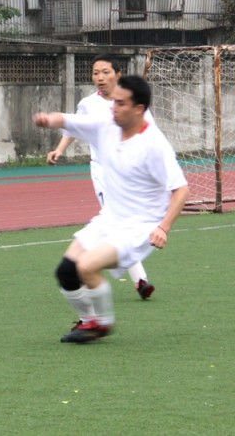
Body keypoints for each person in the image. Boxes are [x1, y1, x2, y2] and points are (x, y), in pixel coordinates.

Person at [33, 75, 189, 343]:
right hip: (110, 219)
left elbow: (181, 189)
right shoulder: (106, 125)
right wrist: (48, 120)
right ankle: (88, 321)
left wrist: (163, 227)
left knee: (86, 266)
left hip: (140, 227)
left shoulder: (154, 145)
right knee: (66, 271)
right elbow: (69, 120)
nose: (113, 108)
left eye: (121, 103)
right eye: (114, 102)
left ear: (138, 109)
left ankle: (102, 323)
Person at [47, 54, 157, 300]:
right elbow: (74, 127)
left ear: (118, 74)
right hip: (103, 172)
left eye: (105, 72)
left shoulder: (132, 102)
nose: (100, 77)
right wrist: (59, 150)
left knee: (125, 224)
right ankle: (140, 280)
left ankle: (100, 266)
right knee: (117, 221)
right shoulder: (88, 104)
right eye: (96, 73)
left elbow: (149, 133)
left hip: (130, 172)